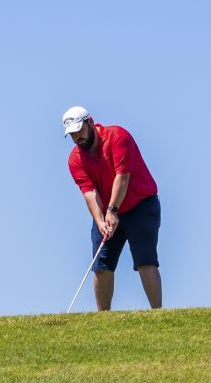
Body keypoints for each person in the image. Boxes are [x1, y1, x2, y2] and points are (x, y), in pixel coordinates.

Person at [62, 105, 163, 310]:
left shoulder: (118, 136)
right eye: (72, 135)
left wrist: (112, 210)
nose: (76, 138)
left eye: (79, 131)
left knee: (145, 261)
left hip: (140, 205)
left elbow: (122, 177)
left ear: (90, 122)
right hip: (108, 212)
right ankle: (103, 320)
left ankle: (157, 314)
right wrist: (100, 221)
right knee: (101, 265)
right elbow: (89, 193)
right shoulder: (75, 159)